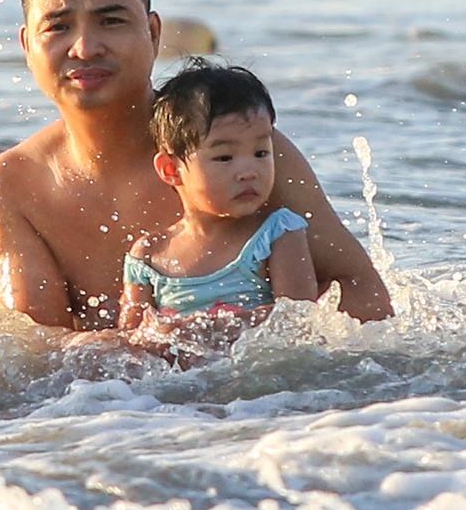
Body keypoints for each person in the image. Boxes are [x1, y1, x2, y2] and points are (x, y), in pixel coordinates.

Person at [0, 0, 392, 330]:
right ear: (27, 46)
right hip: (110, 404)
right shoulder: (14, 184)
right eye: (58, 27)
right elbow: (35, 344)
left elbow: (364, 294)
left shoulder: (241, 150)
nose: (85, 47)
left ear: (154, 33)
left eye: (111, 20)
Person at [119, 61, 319, 334]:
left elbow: (298, 317)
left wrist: (209, 327)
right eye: (225, 157)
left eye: (261, 153)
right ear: (171, 170)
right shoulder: (148, 255)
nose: (248, 172)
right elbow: (130, 340)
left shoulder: (276, 234)